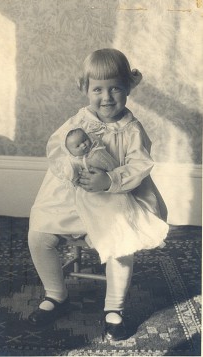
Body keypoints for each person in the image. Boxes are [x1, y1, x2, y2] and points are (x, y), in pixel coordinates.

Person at [28, 48, 168, 341]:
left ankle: (113, 308)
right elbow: (56, 148)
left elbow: (140, 165)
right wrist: (71, 167)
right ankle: (56, 293)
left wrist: (111, 179)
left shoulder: (131, 129)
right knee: (39, 236)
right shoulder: (78, 121)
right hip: (73, 196)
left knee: (121, 244)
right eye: (98, 89)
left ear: (128, 88)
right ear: (85, 89)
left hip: (113, 197)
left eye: (116, 88)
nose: (107, 97)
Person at [61, 127, 168, 263]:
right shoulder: (74, 157)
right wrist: (74, 178)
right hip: (88, 193)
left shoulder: (100, 146)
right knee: (89, 211)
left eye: (85, 141)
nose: (84, 145)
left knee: (117, 213)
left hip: (116, 187)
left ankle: (112, 243)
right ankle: (93, 234)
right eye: (78, 146)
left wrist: (110, 179)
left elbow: (137, 164)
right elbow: (66, 169)